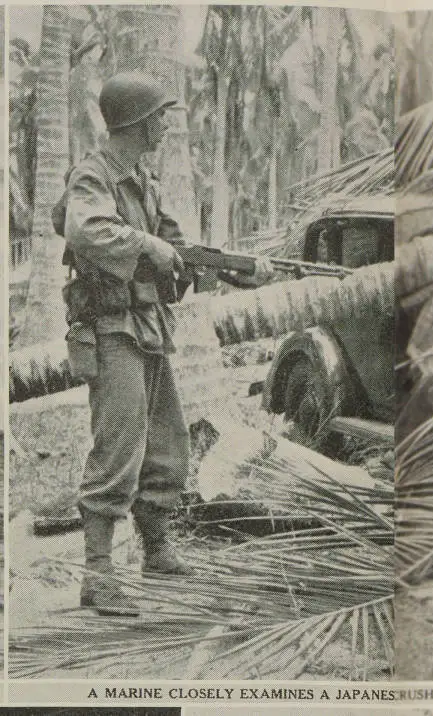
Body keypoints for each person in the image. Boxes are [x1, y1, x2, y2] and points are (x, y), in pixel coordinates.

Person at [60, 71, 272, 617]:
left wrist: (228, 269)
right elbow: (87, 233)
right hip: (109, 331)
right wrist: (148, 245)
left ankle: (155, 549)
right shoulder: (94, 177)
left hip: (148, 329)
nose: (164, 125)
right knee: (117, 449)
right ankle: (97, 575)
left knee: (167, 445)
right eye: (158, 116)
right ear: (133, 122)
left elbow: (178, 251)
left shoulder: (143, 182)